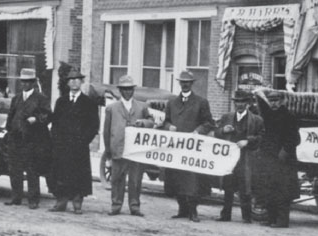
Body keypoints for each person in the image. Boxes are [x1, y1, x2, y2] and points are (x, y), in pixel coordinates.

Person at [161, 70, 215, 222]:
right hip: (175, 148)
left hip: (192, 149)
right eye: (182, 82)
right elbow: (165, 121)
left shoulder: (201, 102)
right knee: (176, 179)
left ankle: (193, 210)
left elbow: (209, 123)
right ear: (179, 83)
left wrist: (198, 131)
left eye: (188, 82)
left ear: (192, 84)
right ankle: (182, 209)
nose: (185, 85)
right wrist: (169, 126)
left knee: (192, 181)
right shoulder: (172, 102)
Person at [49, 67, 100, 214]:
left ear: (81, 82)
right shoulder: (61, 102)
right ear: (67, 83)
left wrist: (83, 141)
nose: (74, 83)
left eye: (77, 80)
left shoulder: (88, 103)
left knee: (79, 174)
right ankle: (61, 201)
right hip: (62, 146)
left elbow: (93, 126)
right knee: (62, 173)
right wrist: (57, 139)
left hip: (79, 146)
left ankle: (77, 202)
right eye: (71, 80)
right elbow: (55, 122)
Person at [102, 74, 154, 217]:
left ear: (133, 90)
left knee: (135, 179)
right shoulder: (112, 108)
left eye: (130, 89)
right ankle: (116, 205)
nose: (127, 92)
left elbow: (151, 122)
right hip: (118, 148)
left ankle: (134, 206)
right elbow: (106, 131)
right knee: (117, 179)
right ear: (120, 91)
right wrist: (108, 151)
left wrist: (142, 123)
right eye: (124, 89)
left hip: (135, 150)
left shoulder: (142, 106)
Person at [4, 67, 52, 210]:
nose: (24, 84)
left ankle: (33, 200)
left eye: (28, 82)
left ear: (33, 83)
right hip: (16, 139)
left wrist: (36, 119)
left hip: (32, 140)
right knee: (15, 169)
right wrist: (10, 130)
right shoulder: (16, 98)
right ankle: (16, 197)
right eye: (22, 82)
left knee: (32, 170)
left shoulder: (41, 98)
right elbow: (10, 116)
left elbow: (48, 115)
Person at [215, 89, 264, 223]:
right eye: (237, 102)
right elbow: (216, 133)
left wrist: (248, 141)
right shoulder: (227, 117)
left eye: (242, 102)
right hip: (230, 158)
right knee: (228, 186)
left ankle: (246, 216)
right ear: (234, 103)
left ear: (248, 103)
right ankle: (226, 215)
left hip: (246, 158)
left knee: (245, 187)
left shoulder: (256, 120)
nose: (239, 105)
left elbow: (262, 137)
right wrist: (223, 130)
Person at [254, 89, 301, 228]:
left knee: (282, 191)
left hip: (283, 160)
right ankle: (270, 217)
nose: (273, 104)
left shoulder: (289, 116)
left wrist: (285, 151)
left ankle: (282, 220)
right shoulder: (267, 116)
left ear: (282, 101)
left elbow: (295, 138)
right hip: (269, 157)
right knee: (269, 188)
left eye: (276, 101)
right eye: (271, 101)